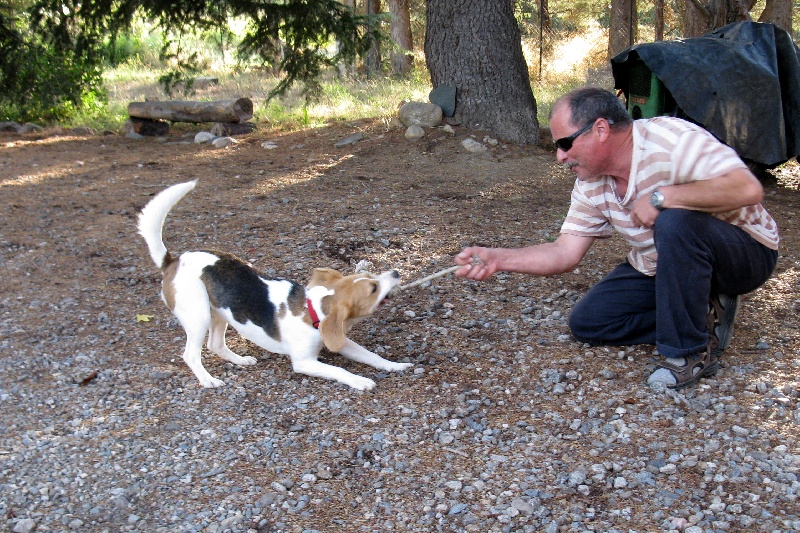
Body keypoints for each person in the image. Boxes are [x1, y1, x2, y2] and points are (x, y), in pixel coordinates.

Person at [454, 86, 779, 389]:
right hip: (662, 264)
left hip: (745, 252)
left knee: (674, 221)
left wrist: (662, 197)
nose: (560, 156)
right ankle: (703, 314)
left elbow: (747, 188)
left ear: (600, 129)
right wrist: (499, 259)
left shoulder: (672, 140)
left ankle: (689, 353)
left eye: (564, 143)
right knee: (590, 322)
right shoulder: (590, 183)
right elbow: (564, 252)